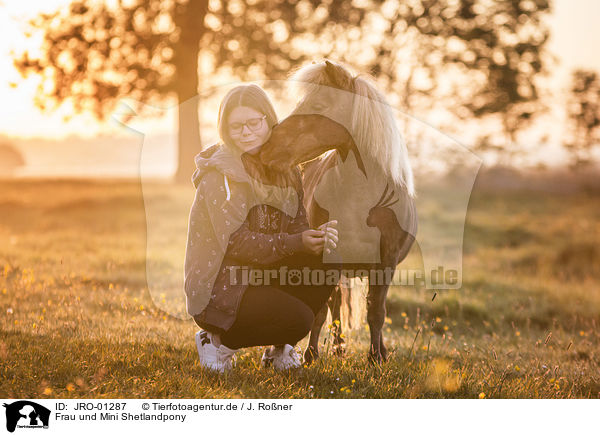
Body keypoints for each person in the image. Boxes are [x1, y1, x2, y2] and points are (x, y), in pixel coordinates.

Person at [184, 84, 339, 372]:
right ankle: (216, 344)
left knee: (328, 261)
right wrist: (295, 243)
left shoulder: (286, 169)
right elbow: (234, 242)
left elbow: (297, 225)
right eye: (235, 127)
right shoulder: (221, 176)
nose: (245, 132)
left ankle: (278, 351)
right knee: (299, 320)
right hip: (221, 286)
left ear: (269, 120)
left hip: (260, 273)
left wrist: (316, 238)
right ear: (225, 130)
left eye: (253, 122)